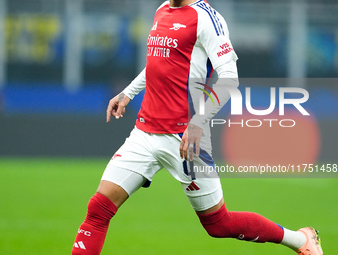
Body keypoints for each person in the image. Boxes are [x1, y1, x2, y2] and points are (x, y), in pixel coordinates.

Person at [72, 0, 324, 254]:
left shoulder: (207, 19)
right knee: (98, 209)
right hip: (144, 133)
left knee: (219, 224)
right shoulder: (162, 10)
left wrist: (199, 122)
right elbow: (158, 63)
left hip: (185, 139)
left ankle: (300, 240)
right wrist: (128, 92)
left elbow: (229, 78)